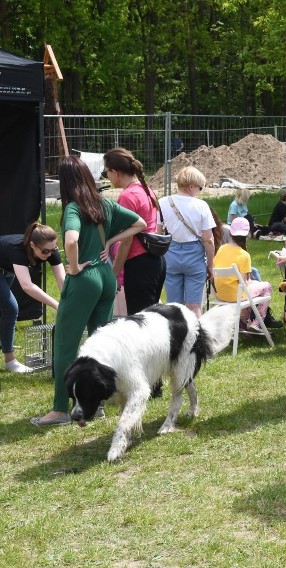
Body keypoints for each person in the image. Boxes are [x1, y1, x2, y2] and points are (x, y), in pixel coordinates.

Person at [31, 156, 145, 426]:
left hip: (85, 278)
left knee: (65, 345)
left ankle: (60, 410)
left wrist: (73, 267)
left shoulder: (73, 207)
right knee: (99, 344)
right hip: (107, 276)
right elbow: (140, 223)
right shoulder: (104, 203)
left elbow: (71, 240)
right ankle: (97, 403)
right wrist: (111, 241)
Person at [104, 147, 166, 314]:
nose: (106, 177)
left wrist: (114, 273)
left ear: (115, 172)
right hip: (156, 261)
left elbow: (127, 240)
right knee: (151, 319)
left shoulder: (127, 196)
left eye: (106, 172)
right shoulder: (146, 190)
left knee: (139, 323)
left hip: (140, 265)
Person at [0, 223, 66, 373]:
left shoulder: (50, 250)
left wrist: (68, 302)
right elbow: (27, 286)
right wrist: (57, 305)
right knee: (10, 309)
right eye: (45, 251)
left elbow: (63, 282)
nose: (49, 254)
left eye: (53, 249)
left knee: (5, 308)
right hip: (4, 264)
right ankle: (10, 361)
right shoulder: (17, 250)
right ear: (32, 245)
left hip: (6, 267)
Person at [159, 166, 216, 318]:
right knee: (194, 305)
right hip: (194, 256)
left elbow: (158, 233)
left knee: (173, 306)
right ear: (191, 187)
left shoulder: (163, 202)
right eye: (200, 188)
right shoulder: (201, 205)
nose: (200, 191)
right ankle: (196, 339)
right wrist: (211, 265)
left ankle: (175, 339)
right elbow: (208, 240)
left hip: (171, 253)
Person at [212, 217, 281, 331]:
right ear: (247, 234)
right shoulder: (244, 255)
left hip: (220, 294)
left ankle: (243, 323)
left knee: (249, 290)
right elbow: (244, 283)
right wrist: (254, 282)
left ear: (231, 232)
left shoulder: (221, 249)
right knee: (266, 286)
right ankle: (257, 322)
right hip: (235, 295)